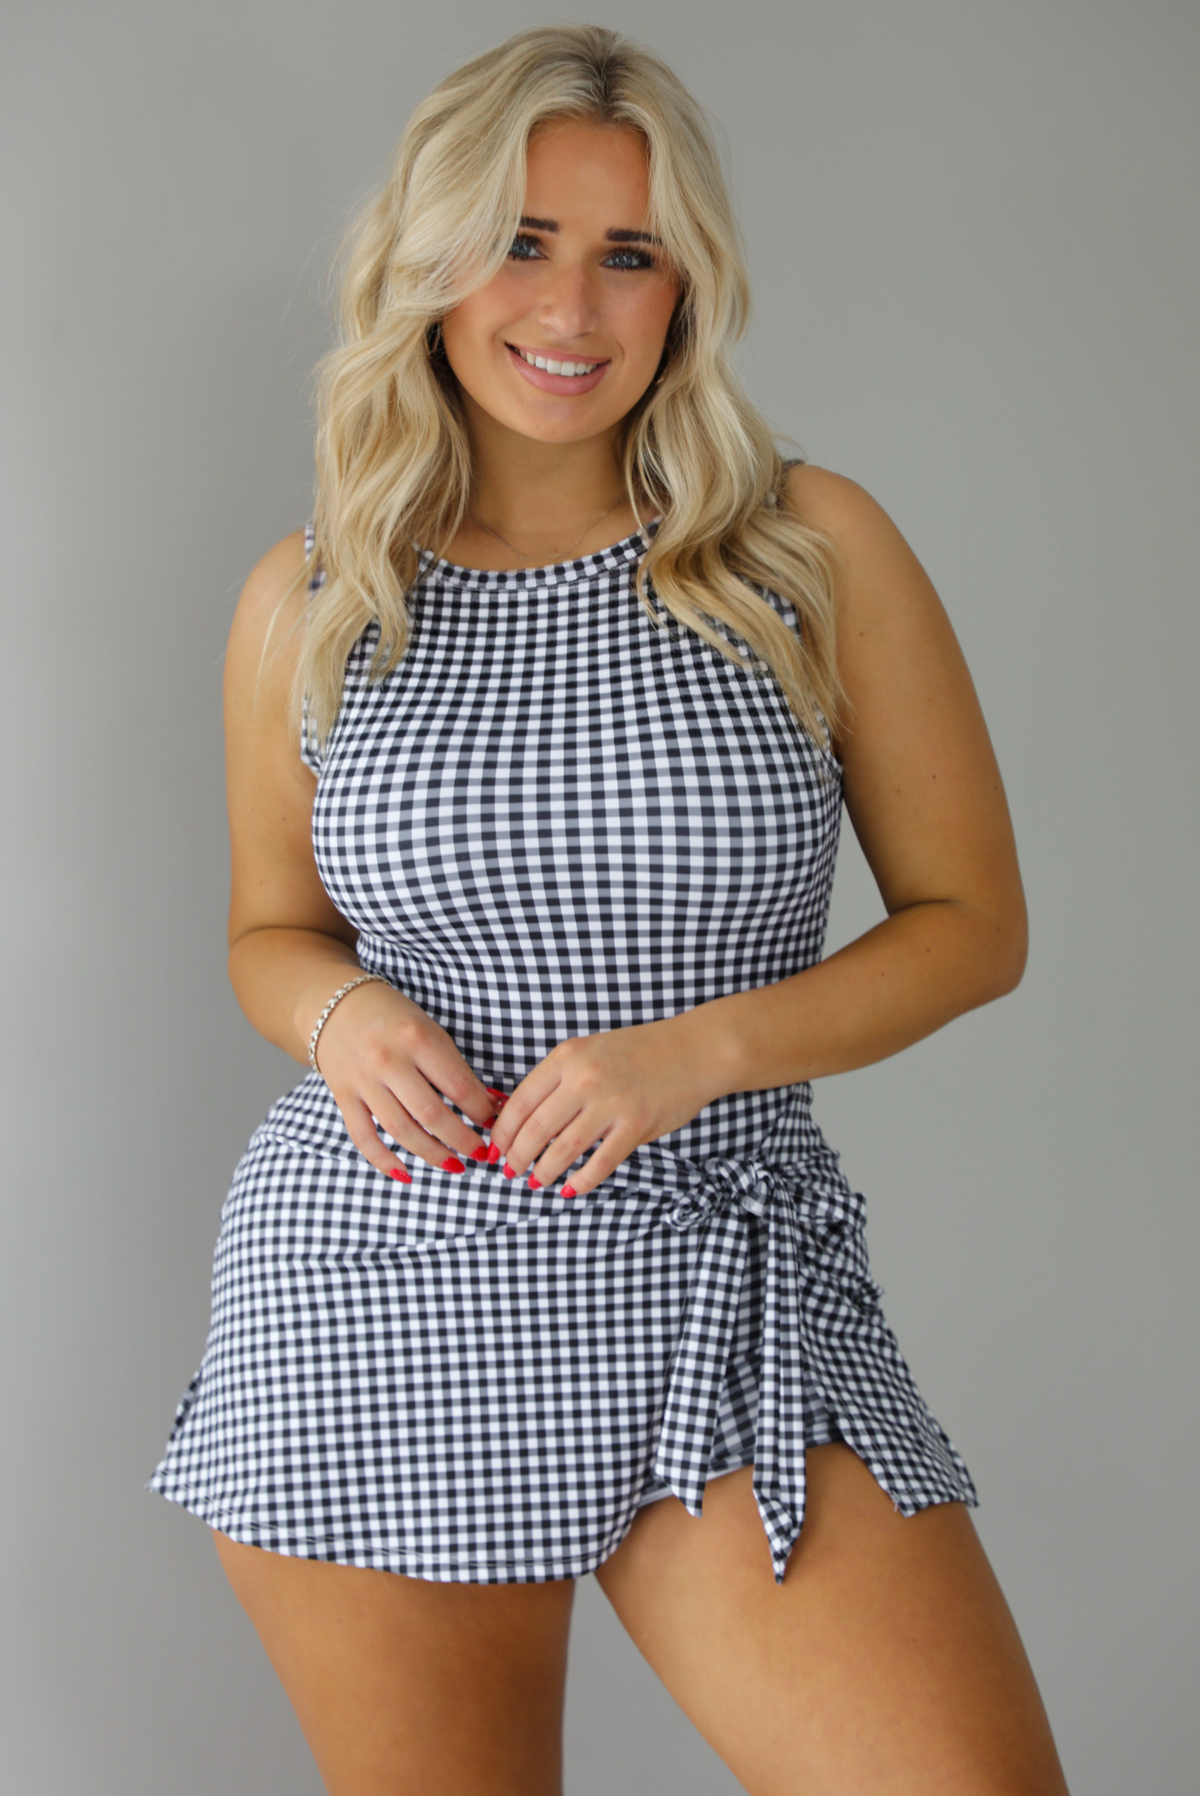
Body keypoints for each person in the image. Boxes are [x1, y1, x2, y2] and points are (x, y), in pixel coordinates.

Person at [150, 24, 1069, 1795]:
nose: (571, 306)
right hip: (378, 1283)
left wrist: (699, 1052)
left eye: (627, 252)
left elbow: (973, 922)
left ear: (686, 288)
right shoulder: (318, 598)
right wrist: (341, 1018)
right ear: (427, 266)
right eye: (520, 240)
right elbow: (273, 934)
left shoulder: (807, 551)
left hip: (725, 1279)